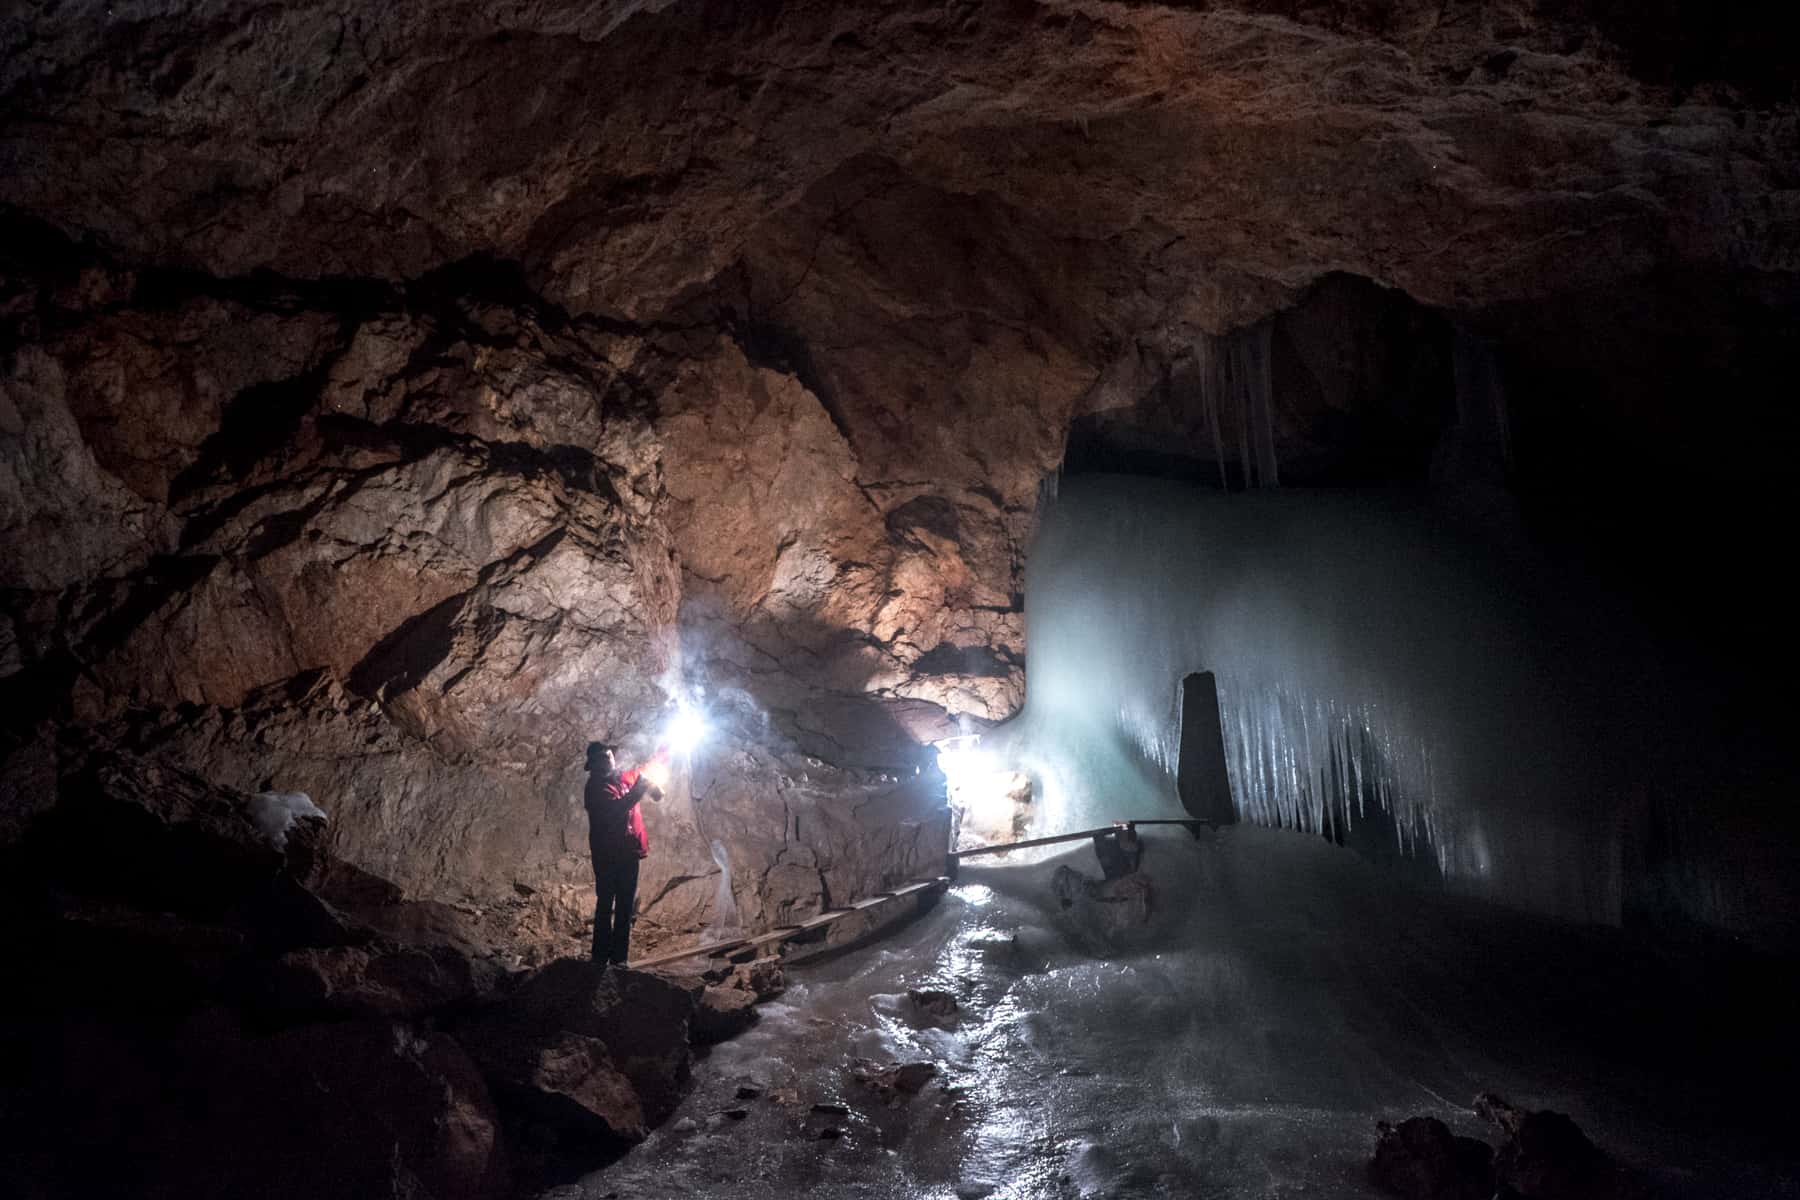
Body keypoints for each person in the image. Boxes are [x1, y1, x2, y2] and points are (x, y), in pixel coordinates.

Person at [584, 741, 665, 965]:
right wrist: (640, 788)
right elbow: (616, 810)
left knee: (625, 907)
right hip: (608, 857)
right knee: (605, 905)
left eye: (610, 755)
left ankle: (619, 960)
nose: (610, 759)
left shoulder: (622, 778)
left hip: (628, 854)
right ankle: (600, 959)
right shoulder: (595, 788)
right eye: (604, 757)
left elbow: (645, 770)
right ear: (594, 765)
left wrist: (665, 749)